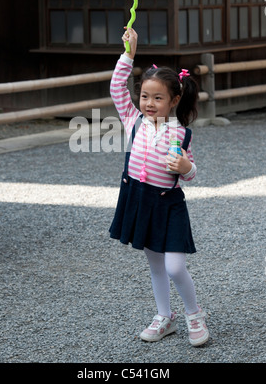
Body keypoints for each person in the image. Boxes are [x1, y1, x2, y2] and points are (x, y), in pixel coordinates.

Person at [109, 27, 209, 347]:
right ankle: (164, 316)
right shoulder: (132, 120)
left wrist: (186, 167)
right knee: (154, 264)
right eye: (144, 96)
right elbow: (115, 87)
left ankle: (194, 314)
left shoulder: (180, 133)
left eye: (158, 98)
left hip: (168, 203)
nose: (149, 103)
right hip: (139, 199)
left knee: (175, 266)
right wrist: (129, 54)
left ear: (174, 100)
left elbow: (192, 174)